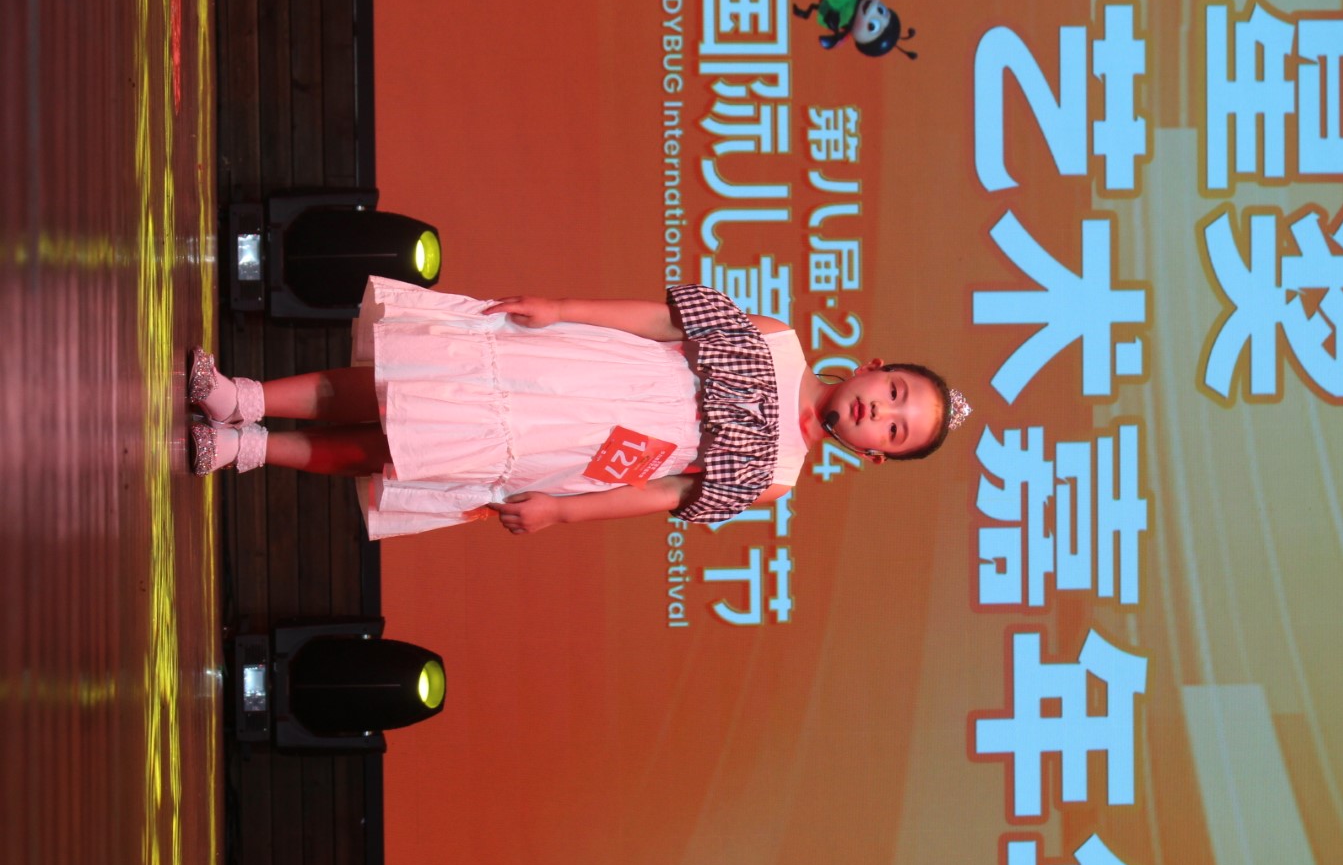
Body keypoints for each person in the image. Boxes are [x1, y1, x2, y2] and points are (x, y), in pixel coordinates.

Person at [188, 277, 970, 539]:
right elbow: (661, 321)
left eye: (894, 429)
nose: (879, 412)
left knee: (400, 448)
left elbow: (666, 493)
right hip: (582, 368)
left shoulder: (778, 479)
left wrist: (563, 511)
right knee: (403, 382)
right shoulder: (777, 338)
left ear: (875, 453)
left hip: (579, 451)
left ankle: (247, 450)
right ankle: (242, 396)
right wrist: (562, 308)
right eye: (893, 395)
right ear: (874, 368)